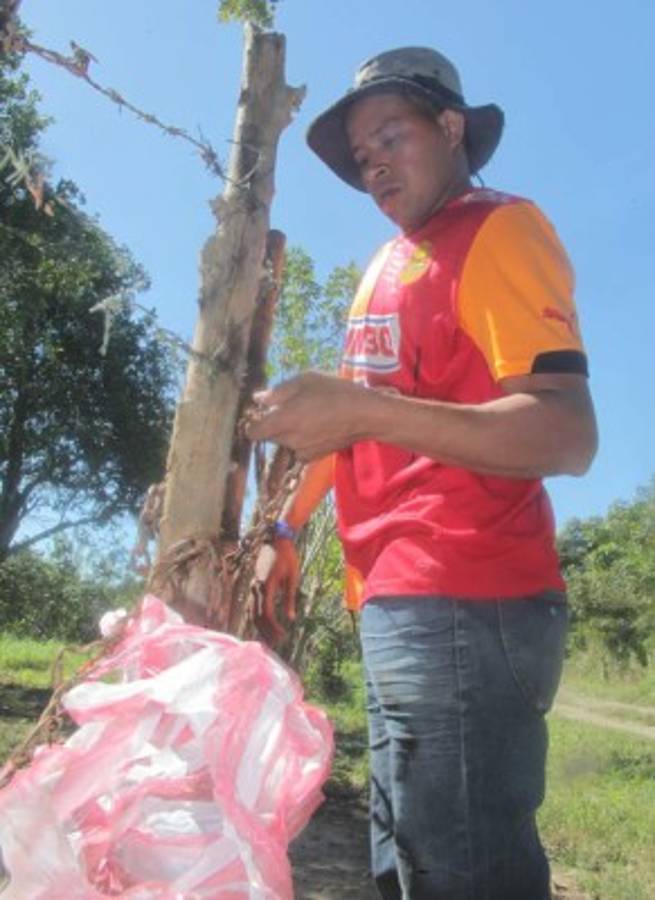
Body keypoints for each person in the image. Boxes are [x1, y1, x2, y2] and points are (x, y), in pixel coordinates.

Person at [247, 46, 597, 900]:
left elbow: (566, 431)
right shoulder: (387, 264)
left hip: (469, 598)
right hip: (392, 597)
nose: (371, 165)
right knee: (402, 864)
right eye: (360, 157)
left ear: (450, 128)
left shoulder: (497, 228)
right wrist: (285, 531)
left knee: (462, 872)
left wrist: (362, 410)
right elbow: (348, 424)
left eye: (389, 137)